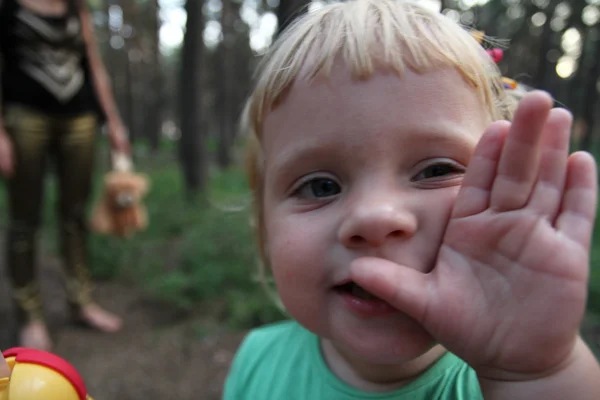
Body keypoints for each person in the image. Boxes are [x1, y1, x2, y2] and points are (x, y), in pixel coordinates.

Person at [223, 0, 600, 398]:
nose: (375, 216)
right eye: (320, 187)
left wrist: (532, 375)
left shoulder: (523, 373)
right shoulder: (257, 361)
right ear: (265, 226)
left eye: (436, 171)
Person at [0, 0, 130, 351]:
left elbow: (94, 65)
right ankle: (29, 316)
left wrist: (113, 121)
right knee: (24, 219)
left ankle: (81, 302)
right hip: (24, 116)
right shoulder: (9, 7)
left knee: (75, 216)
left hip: (79, 118)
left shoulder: (76, 8)